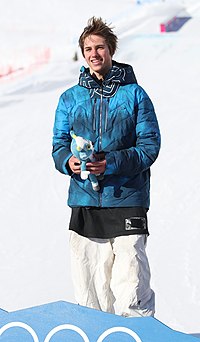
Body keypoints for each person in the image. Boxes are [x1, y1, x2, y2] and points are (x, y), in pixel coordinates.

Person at [52, 16, 161, 317]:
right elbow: (59, 144)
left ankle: (139, 334)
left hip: (128, 198)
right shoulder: (69, 99)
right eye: (88, 48)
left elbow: (149, 147)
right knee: (91, 289)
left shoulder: (135, 95)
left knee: (131, 282)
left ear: (111, 50)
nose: (94, 54)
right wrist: (67, 161)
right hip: (85, 200)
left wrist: (110, 163)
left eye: (100, 47)